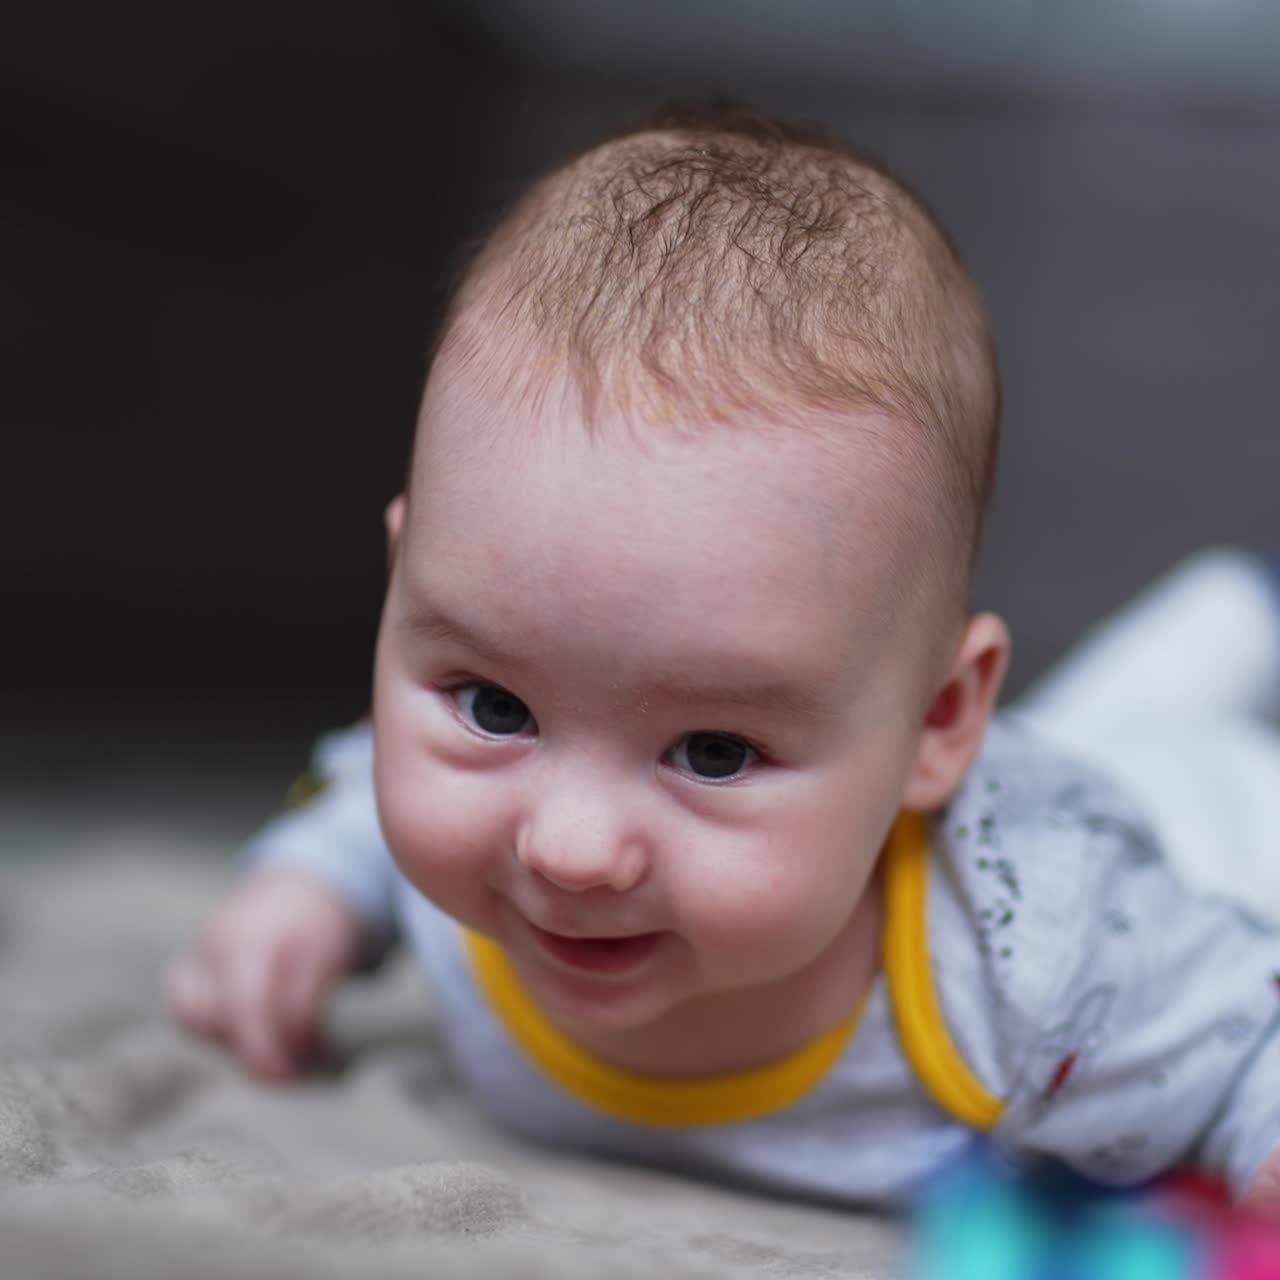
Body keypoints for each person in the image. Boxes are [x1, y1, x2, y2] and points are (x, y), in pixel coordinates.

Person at [168, 102, 1280, 1209]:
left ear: (937, 723)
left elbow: (1245, 1040)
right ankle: (1225, 611)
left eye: (711, 750)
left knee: (1166, 751)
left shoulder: (1051, 975)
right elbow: (369, 786)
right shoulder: (464, 805)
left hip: (1208, 826)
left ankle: (1234, 613)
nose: (568, 848)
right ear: (405, 591)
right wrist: (307, 887)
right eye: (498, 708)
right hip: (1026, 743)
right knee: (1106, 708)